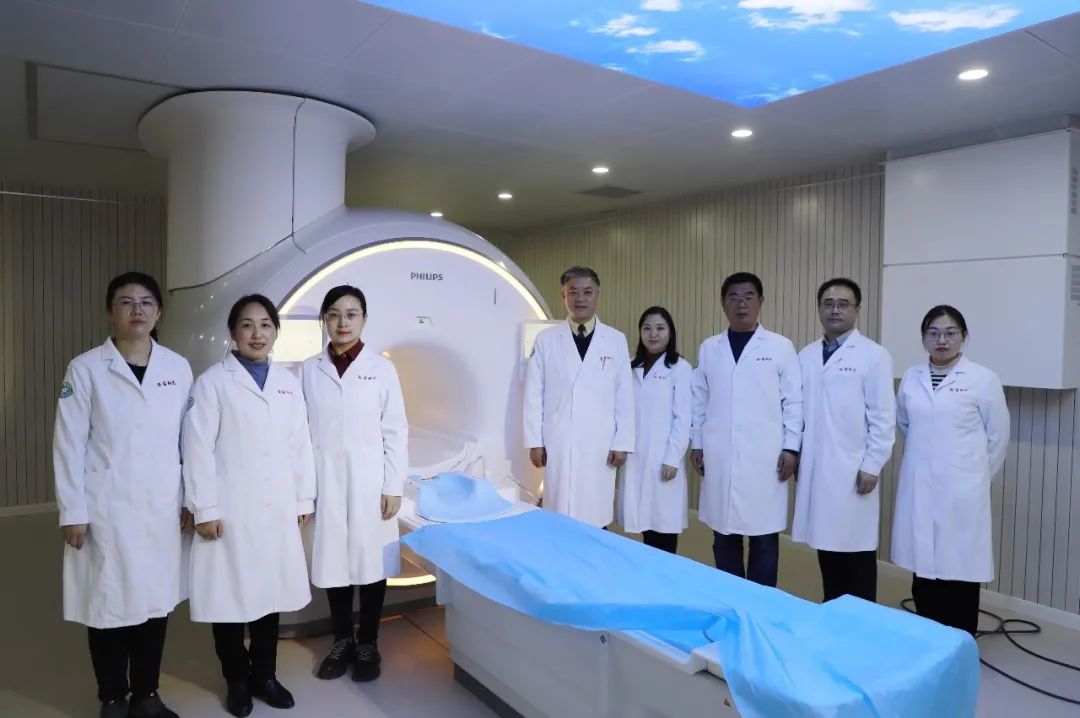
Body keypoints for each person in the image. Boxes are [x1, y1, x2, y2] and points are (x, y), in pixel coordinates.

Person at [53, 271, 193, 718]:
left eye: (146, 302)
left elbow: (188, 441)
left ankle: (147, 694)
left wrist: (191, 499)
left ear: (159, 312)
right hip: (106, 508)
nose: (137, 310)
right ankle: (112, 697)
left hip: (162, 506)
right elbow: (68, 443)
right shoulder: (85, 368)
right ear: (110, 312)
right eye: (126, 302)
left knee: (155, 604)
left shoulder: (177, 367)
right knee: (107, 605)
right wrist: (73, 511)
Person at [182, 294, 316, 717]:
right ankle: (237, 680)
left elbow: (300, 444)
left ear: (276, 331)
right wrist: (204, 509)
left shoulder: (287, 382)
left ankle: (265, 676)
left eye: (265, 325)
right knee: (228, 601)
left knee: (268, 598)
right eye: (247, 325)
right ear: (233, 332)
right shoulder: (212, 382)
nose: (257, 334)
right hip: (230, 510)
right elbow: (196, 448)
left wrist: (303, 497)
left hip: (276, 509)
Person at [301, 285, 408, 683]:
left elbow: (395, 430)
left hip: (370, 482)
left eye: (351, 314)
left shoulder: (382, 369)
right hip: (325, 481)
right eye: (334, 314)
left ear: (364, 319)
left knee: (372, 563)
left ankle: (368, 642)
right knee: (335, 563)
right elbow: (299, 433)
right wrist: (303, 491)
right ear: (324, 320)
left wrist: (393, 485)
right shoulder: (309, 370)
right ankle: (342, 640)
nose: (342, 322)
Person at [892, 305, 1009, 636]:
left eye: (950, 333)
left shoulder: (983, 379)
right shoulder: (911, 377)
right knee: (923, 565)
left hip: (963, 490)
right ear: (923, 338)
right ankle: (930, 638)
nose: (941, 340)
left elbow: (998, 437)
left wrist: (973, 478)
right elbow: (905, 424)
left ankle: (960, 642)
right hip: (920, 484)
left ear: (964, 336)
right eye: (933, 333)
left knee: (960, 567)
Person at [690, 271, 801, 587]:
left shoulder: (780, 347)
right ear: (723, 304)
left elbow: (794, 402)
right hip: (720, 452)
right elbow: (699, 400)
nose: (741, 304)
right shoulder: (709, 348)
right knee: (724, 536)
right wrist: (697, 443)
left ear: (761, 301)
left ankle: (761, 604)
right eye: (734, 297)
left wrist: (791, 447)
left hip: (766, 456)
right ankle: (731, 597)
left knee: (764, 539)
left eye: (748, 296)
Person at [791, 278, 895, 602]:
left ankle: (861, 620)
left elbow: (883, 417)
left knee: (856, 552)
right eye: (828, 303)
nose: (835, 310)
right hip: (816, 466)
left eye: (843, 304)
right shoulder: (806, 355)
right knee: (827, 548)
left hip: (853, 468)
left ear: (857, 310)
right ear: (819, 308)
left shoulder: (874, 355)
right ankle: (833, 609)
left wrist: (872, 465)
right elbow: (797, 411)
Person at [523, 266, 635, 527]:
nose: (580, 298)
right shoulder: (546, 339)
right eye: (573, 292)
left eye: (587, 292)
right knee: (559, 508)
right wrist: (534, 441)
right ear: (563, 295)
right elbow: (534, 393)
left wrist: (622, 442)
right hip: (559, 436)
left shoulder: (615, 340)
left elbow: (624, 396)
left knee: (595, 509)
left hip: (600, 440)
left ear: (597, 295)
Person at [617, 307, 692, 554]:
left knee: (663, 526)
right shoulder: (630, 366)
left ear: (670, 332)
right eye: (647, 328)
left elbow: (683, 418)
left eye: (660, 328)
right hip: (634, 456)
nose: (653, 334)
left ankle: (664, 574)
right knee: (642, 523)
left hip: (663, 459)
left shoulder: (680, 368)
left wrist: (672, 458)